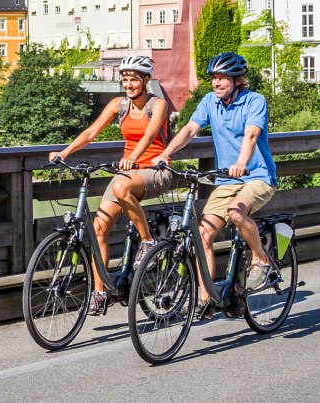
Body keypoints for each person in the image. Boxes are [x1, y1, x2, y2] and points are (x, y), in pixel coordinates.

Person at [48, 55, 174, 315]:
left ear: (146, 80)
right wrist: (65, 152)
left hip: (155, 170)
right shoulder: (119, 105)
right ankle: (100, 292)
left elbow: (151, 134)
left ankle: (148, 241)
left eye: (134, 80)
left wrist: (132, 158)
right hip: (127, 174)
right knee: (98, 228)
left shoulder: (157, 104)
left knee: (120, 188)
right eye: (125, 80)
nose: (129, 85)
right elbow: (91, 132)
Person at [153, 51, 276, 315]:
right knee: (204, 234)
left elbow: (252, 135)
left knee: (235, 211)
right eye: (214, 78)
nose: (216, 83)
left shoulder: (255, 101)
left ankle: (260, 258)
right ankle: (207, 297)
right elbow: (190, 129)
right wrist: (166, 153)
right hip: (227, 180)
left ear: (236, 79)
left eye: (222, 78)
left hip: (258, 177)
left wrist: (242, 161)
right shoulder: (210, 102)